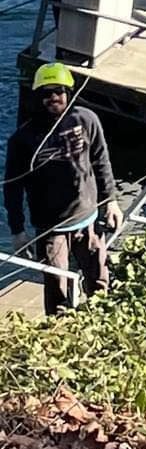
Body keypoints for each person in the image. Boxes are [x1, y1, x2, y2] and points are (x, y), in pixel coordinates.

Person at [3, 62, 123, 315]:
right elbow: (12, 189)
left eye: (58, 90)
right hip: (51, 229)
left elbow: (101, 160)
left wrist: (110, 200)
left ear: (69, 92)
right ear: (37, 97)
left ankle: (101, 322)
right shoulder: (23, 139)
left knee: (99, 280)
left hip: (88, 221)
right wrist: (18, 232)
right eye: (46, 93)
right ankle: (59, 333)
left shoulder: (86, 119)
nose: (53, 97)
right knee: (56, 292)